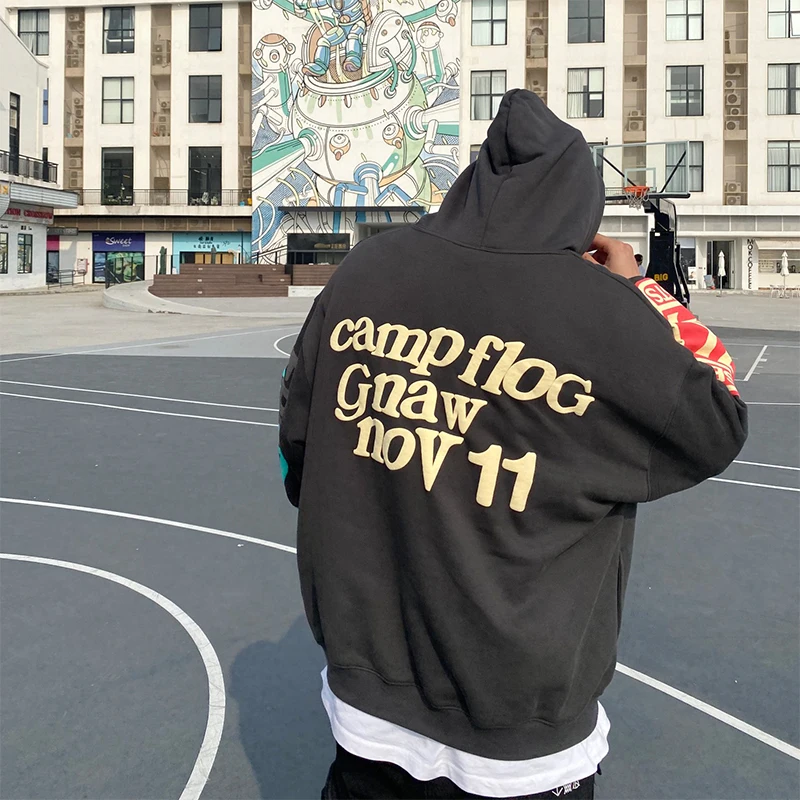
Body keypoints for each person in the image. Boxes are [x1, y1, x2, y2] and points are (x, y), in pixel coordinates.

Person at [279, 89, 747, 800]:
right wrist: (640, 289)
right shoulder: (600, 311)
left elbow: (297, 451)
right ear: (579, 201)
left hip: (368, 697)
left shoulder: (365, 272)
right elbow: (718, 419)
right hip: (519, 730)